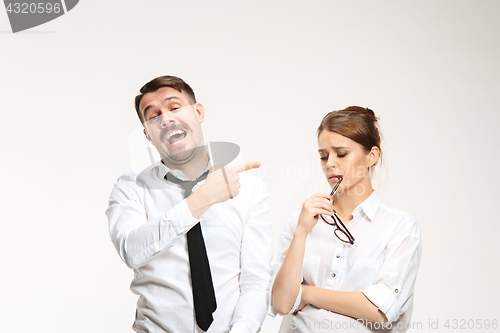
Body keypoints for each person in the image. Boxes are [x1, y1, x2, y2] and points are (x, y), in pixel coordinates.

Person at [106, 75, 273, 333]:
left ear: (198, 112)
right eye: (153, 116)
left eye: (174, 107)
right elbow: (132, 250)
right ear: (147, 135)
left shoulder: (249, 189)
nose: (166, 119)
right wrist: (204, 198)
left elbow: (256, 281)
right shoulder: (132, 187)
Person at [269, 107, 422, 333]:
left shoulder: (400, 228)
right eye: (323, 156)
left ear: (372, 156)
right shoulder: (300, 221)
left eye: (341, 154)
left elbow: (380, 311)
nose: (329, 163)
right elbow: (281, 302)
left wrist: (307, 293)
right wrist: (301, 233)